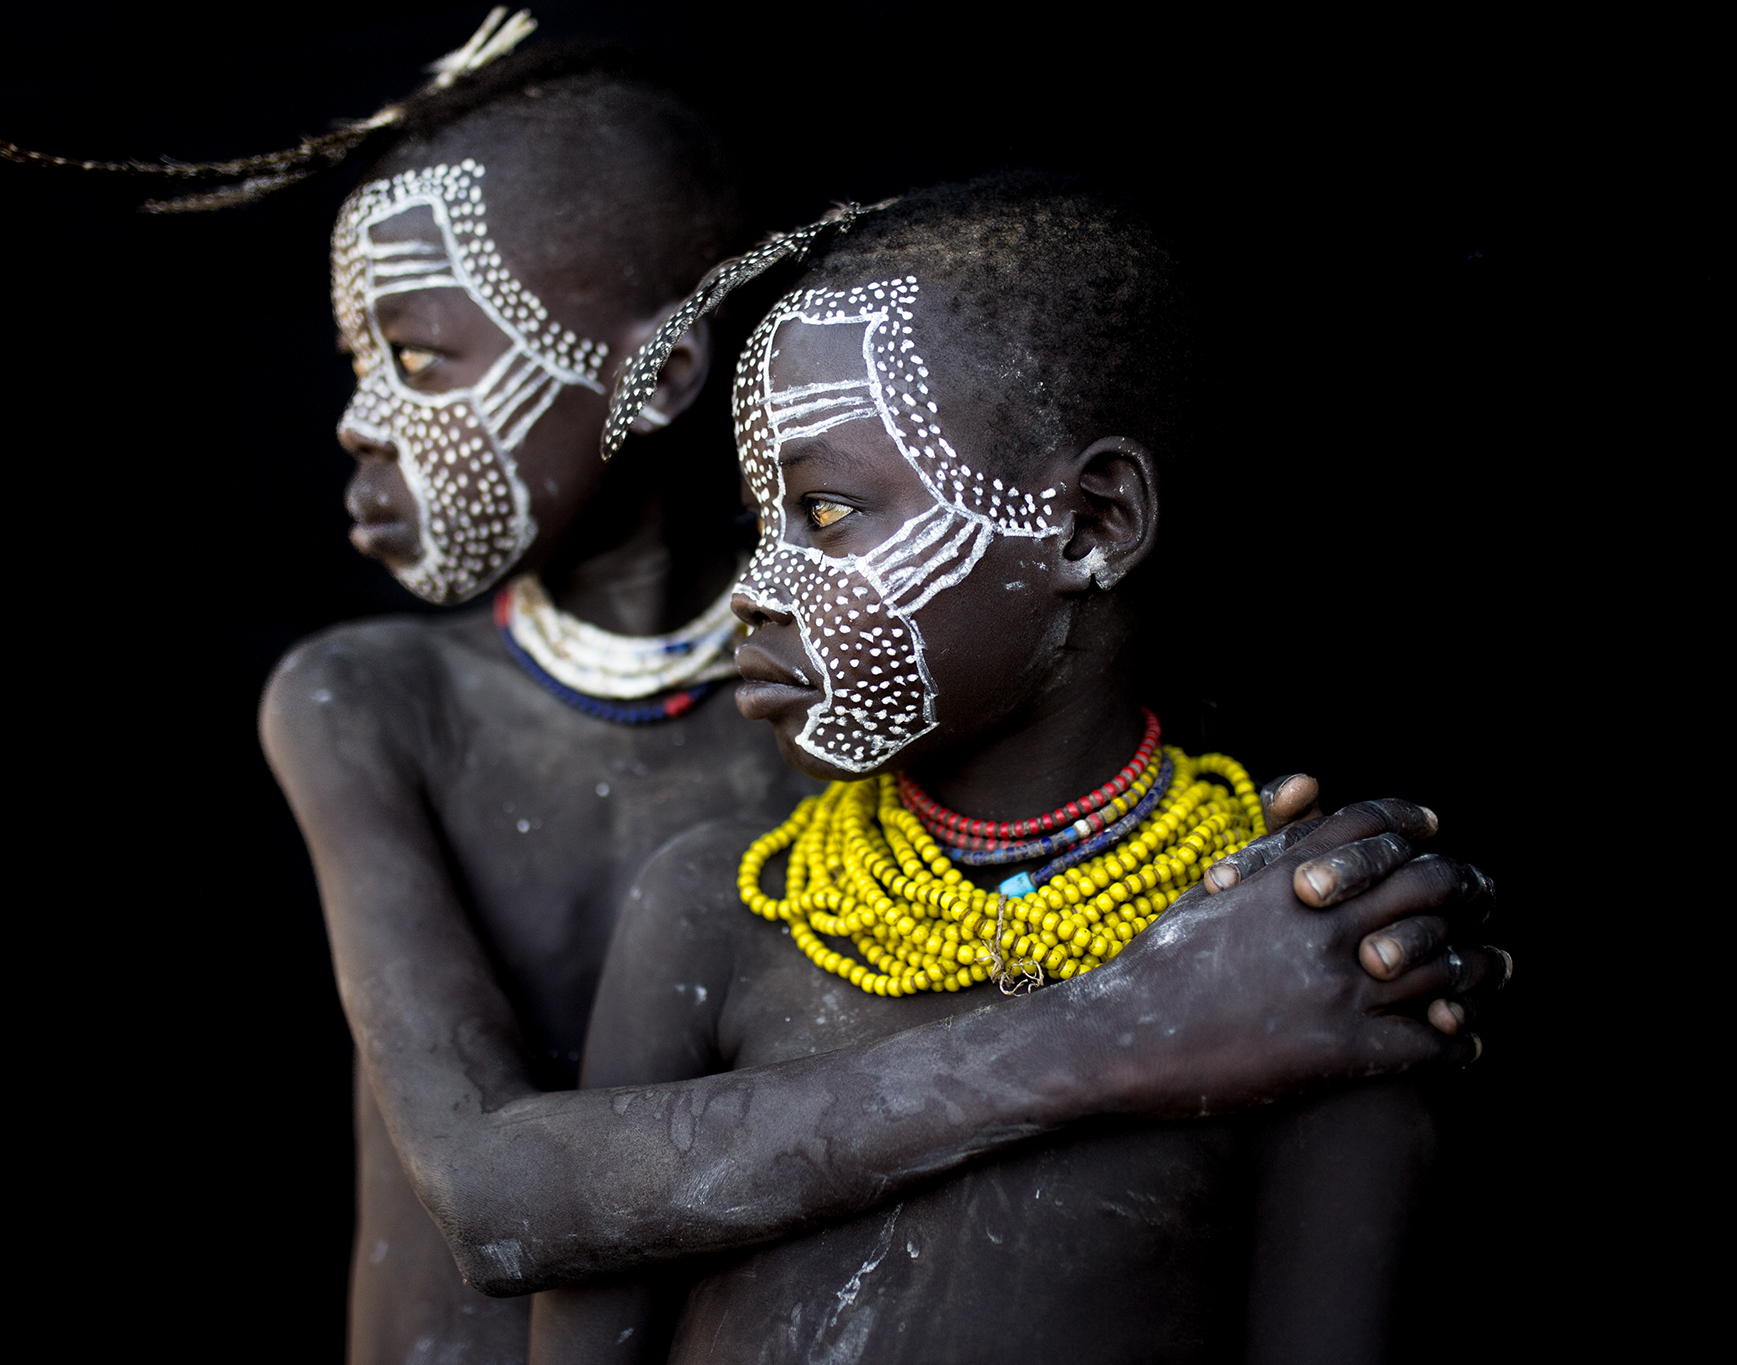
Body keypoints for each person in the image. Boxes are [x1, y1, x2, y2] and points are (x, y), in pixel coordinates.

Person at [0, 17, 1500, 1363]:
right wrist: (1146, 1026)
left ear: (662, 371)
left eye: (425, 357)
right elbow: (500, 1201)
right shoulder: (404, 721)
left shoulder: (884, 716)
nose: (359, 422)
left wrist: (1272, 949)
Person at [532, 176, 1509, 1363]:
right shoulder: (719, 908)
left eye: (825, 510)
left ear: (1090, 524)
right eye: (757, 520)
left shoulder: (1297, 944)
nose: (753, 585)